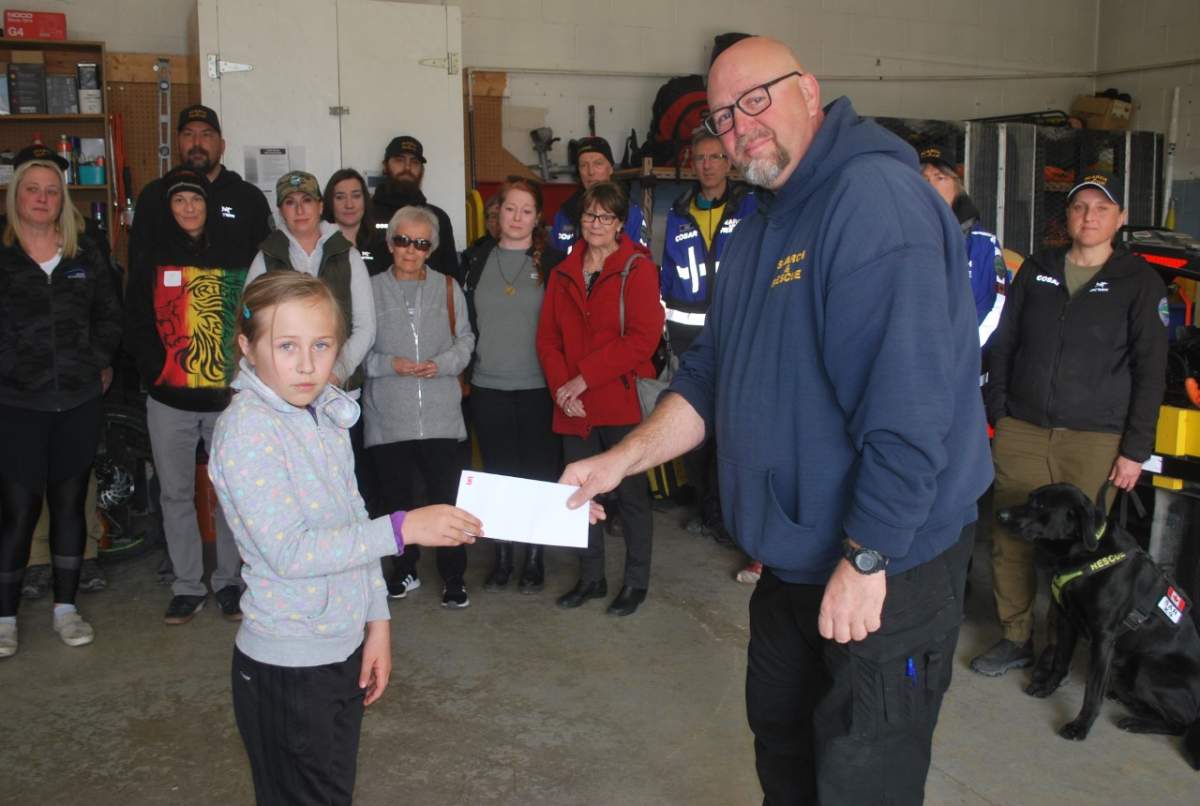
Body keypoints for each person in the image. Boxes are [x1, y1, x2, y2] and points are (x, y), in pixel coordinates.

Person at [556, 38, 993, 803]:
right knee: (785, 759)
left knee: (863, 779)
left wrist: (867, 559)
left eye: (756, 99)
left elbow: (911, 407)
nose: (740, 126)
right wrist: (620, 459)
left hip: (885, 566)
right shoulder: (759, 223)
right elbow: (709, 376)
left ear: (810, 90)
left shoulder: (871, 200)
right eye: (723, 116)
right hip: (793, 563)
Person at [210, 271, 480, 804]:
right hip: (288, 665)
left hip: (340, 646)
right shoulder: (248, 431)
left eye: (322, 345)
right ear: (246, 346)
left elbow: (355, 522)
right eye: (286, 346)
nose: (308, 364)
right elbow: (290, 551)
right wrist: (403, 528)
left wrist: (375, 623)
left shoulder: (323, 410)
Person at [970, 172, 1168, 677]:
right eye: (1081, 207)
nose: (1089, 217)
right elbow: (1005, 343)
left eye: (1101, 209)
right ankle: (1015, 636)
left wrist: (1135, 449)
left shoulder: (1139, 282)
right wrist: (1000, 411)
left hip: (1096, 439)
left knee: (1083, 550)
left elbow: (1151, 370)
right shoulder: (1038, 268)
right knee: (1009, 535)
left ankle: (1062, 647)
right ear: (1068, 215)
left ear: (1119, 219)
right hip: (1024, 430)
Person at [0, 144, 122, 658]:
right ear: (16, 196)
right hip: (17, 402)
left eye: (52, 191)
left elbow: (109, 315)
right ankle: (5, 617)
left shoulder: (84, 252)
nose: (42, 198)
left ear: (62, 198)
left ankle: (65, 609)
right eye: (33, 189)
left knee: (71, 504)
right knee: (18, 510)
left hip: (75, 399)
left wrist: (94, 360)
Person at [124, 166, 249, 625]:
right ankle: (188, 586)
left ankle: (230, 583)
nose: (189, 208)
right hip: (169, 401)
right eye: (179, 201)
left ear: (208, 205)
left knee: (231, 495)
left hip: (226, 401)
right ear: (169, 207)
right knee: (176, 495)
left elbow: (249, 316)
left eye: (196, 200)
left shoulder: (236, 252)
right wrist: (155, 371)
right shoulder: (151, 256)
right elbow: (135, 321)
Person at [537, 182, 664, 617]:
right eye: (589, 216)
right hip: (572, 406)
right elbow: (547, 340)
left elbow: (642, 340)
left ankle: (635, 581)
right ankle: (591, 578)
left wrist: (582, 380)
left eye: (605, 217)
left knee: (631, 498)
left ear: (619, 223)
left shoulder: (637, 268)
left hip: (620, 403)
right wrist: (562, 387)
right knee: (578, 498)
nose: (596, 224)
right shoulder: (562, 272)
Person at [363, 207, 476, 607]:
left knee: (447, 498)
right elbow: (356, 351)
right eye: (402, 241)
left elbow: (466, 340)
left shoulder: (448, 287)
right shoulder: (369, 288)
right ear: (390, 243)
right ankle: (404, 568)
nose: (410, 250)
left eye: (421, 243)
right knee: (396, 501)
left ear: (432, 249)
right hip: (388, 417)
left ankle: (453, 576)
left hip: (442, 417)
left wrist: (442, 364)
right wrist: (388, 364)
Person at [461, 177, 567, 593]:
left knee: (538, 474)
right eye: (510, 209)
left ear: (538, 217)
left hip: (540, 387)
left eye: (527, 210)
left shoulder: (554, 263)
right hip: (488, 385)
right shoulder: (474, 260)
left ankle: (534, 558)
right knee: (499, 476)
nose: (517, 218)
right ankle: (503, 557)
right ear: (497, 213)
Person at [659, 128, 757, 550]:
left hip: (739, 332)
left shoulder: (750, 206)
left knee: (734, 427)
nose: (708, 165)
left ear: (729, 162)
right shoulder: (679, 212)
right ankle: (707, 507)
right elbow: (666, 275)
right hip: (688, 337)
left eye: (716, 157)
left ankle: (729, 515)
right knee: (692, 426)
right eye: (700, 158)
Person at [246, 171, 375, 393]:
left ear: (320, 206)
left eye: (307, 200)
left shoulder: (347, 255)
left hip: (338, 392)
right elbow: (249, 322)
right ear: (280, 211)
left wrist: (334, 374)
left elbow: (366, 327)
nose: (299, 210)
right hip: (282, 391)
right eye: (290, 202)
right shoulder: (266, 257)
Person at [130, 105, 272, 271]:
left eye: (206, 135)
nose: (197, 143)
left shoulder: (249, 198)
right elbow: (138, 268)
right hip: (169, 295)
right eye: (188, 134)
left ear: (222, 145)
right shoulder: (154, 196)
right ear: (178, 143)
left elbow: (267, 268)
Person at [919, 145, 1007, 346]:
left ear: (957, 186)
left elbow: (996, 305)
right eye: (924, 179)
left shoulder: (983, 243)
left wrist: (965, 355)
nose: (931, 186)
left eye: (940, 178)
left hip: (964, 361)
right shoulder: (899, 239)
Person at [370, 135, 460, 279]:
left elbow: (451, 277)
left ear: (422, 170)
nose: (407, 167)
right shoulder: (365, 214)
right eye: (399, 160)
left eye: (414, 162)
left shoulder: (438, 218)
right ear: (385, 166)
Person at [549, 136, 648, 253]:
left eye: (598, 163)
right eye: (583, 165)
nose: (590, 171)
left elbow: (640, 263)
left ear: (610, 168)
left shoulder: (630, 212)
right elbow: (554, 262)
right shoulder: (565, 213)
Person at [323, 167, 387, 274]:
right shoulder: (319, 246)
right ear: (330, 202)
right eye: (340, 197)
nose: (349, 205)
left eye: (356, 196)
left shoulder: (381, 245)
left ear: (365, 200)